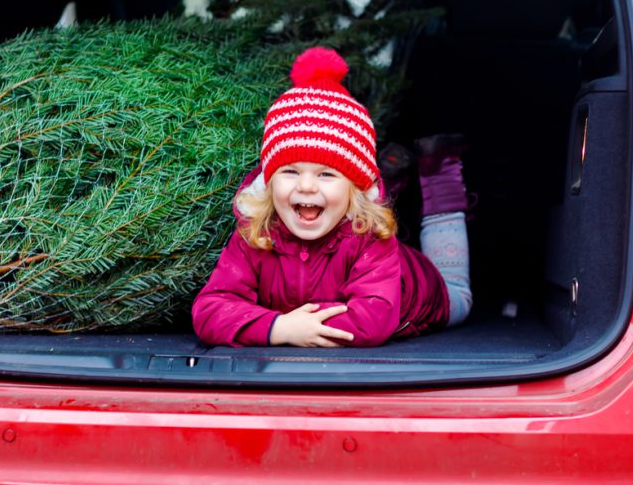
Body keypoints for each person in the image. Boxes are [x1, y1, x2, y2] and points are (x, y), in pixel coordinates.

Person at [192, 47, 472, 347]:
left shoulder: (371, 238)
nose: (307, 186)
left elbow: (372, 320)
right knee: (343, 201)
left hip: (424, 291)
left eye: (326, 174)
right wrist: (280, 327)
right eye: (290, 172)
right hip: (353, 219)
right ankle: (383, 177)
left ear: (355, 188)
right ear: (269, 182)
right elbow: (209, 310)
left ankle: (439, 174)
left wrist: (299, 324)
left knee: (460, 296)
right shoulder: (256, 234)